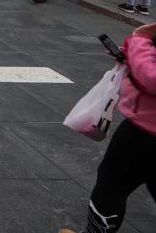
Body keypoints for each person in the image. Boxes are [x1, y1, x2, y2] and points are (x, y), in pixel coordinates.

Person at [60, 23, 156, 233]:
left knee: (111, 185)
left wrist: (139, 44)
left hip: (146, 132)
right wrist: (135, 57)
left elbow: (152, 78)